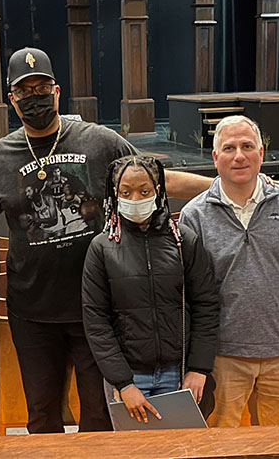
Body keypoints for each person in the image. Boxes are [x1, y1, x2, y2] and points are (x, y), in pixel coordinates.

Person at [0, 47, 211, 433]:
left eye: (41, 88)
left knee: (99, 415)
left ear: (57, 92)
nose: (34, 97)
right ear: (12, 99)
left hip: (99, 311)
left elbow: (155, 178)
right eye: (24, 91)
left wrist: (224, 183)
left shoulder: (100, 141)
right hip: (32, 312)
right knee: (41, 414)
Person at [178, 115, 279, 427]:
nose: (239, 155)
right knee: (221, 445)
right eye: (229, 148)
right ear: (215, 157)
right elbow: (189, 295)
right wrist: (195, 360)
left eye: (247, 146)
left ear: (261, 153)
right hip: (223, 357)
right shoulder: (194, 215)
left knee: (277, 444)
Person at [82, 155, 220, 425]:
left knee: (180, 450)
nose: (135, 198)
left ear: (158, 191)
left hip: (178, 374)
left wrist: (199, 368)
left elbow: (206, 306)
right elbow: (96, 322)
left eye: (144, 191)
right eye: (126, 192)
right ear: (115, 194)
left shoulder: (184, 241)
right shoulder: (101, 248)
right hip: (130, 378)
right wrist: (123, 383)